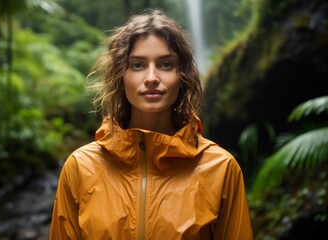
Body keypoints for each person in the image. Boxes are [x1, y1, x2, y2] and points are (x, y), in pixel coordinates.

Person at [49, 10, 253, 240]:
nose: (152, 77)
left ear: (182, 75)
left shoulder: (221, 168)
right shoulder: (80, 167)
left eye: (166, 64)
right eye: (137, 65)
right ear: (120, 76)